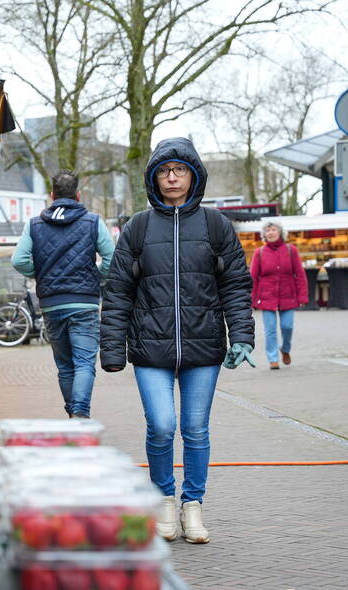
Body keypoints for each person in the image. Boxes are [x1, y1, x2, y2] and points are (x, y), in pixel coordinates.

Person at [100, 138, 255, 544]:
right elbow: (117, 292)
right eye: (164, 170)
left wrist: (242, 335)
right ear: (153, 177)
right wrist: (113, 348)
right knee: (162, 426)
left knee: (196, 429)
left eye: (180, 170)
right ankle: (164, 500)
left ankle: (193, 507)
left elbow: (236, 285)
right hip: (151, 348)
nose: (172, 177)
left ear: (193, 176)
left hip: (203, 347)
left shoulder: (215, 225)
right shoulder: (137, 228)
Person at [12, 170, 115, 419]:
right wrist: (96, 276)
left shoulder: (35, 224)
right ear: (78, 195)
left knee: (65, 366)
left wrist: (44, 274)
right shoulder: (92, 221)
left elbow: (18, 260)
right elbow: (113, 259)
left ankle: (73, 416)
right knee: (83, 362)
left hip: (51, 304)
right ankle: (80, 413)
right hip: (84, 302)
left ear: (52, 195)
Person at [251, 220, 308, 369]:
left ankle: (285, 349)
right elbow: (253, 277)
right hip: (267, 297)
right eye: (267, 230)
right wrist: (251, 298)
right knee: (270, 330)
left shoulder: (291, 250)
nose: (270, 233)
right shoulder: (259, 252)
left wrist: (302, 296)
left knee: (287, 327)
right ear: (264, 235)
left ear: (280, 232)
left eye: (273, 229)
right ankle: (273, 358)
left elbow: (300, 274)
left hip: (288, 295)